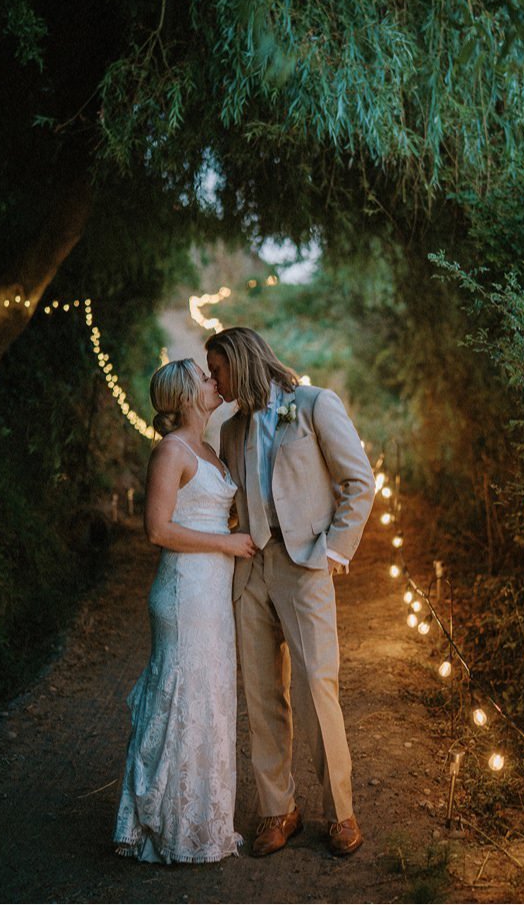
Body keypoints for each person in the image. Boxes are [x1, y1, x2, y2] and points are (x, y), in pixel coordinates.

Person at [206, 327, 375, 857]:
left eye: (218, 370)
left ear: (241, 361)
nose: (214, 381)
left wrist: (332, 550)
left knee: (316, 689)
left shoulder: (314, 405)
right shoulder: (230, 431)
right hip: (252, 569)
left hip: (305, 565)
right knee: (261, 695)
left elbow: (359, 481)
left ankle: (341, 812)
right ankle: (278, 810)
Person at [113, 360, 257, 863]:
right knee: (183, 703)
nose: (214, 382)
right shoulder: (171, 451)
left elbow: (209, 511)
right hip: (184, 593)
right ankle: (166, 825)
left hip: (212, 593)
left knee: (211, 701)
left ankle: (204, 823)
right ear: (185, 394)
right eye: (204, 377)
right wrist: (226, 542)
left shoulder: (210, 450)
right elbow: (158, 530)